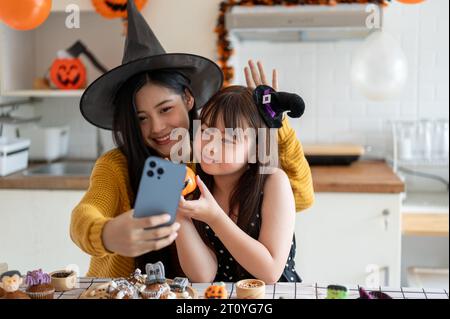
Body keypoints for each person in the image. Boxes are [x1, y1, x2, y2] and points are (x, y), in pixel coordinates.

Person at [70, 1, 314, 278]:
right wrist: (107, 234)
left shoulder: (207, 161)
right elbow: (83, 216)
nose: (158, 127)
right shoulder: (118, 165)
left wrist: (272, 123)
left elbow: (299, 197)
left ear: (187, 98)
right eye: (141, 118)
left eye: (165, 109)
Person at [176, 85, 301, 284]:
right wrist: (178, 213)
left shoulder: (273, 182)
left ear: (256, 148)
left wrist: (215, 217)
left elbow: (270, 273)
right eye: (206, 132)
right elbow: (202, 276)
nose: (210, 147)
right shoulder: (193, 182)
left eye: (227, 139)